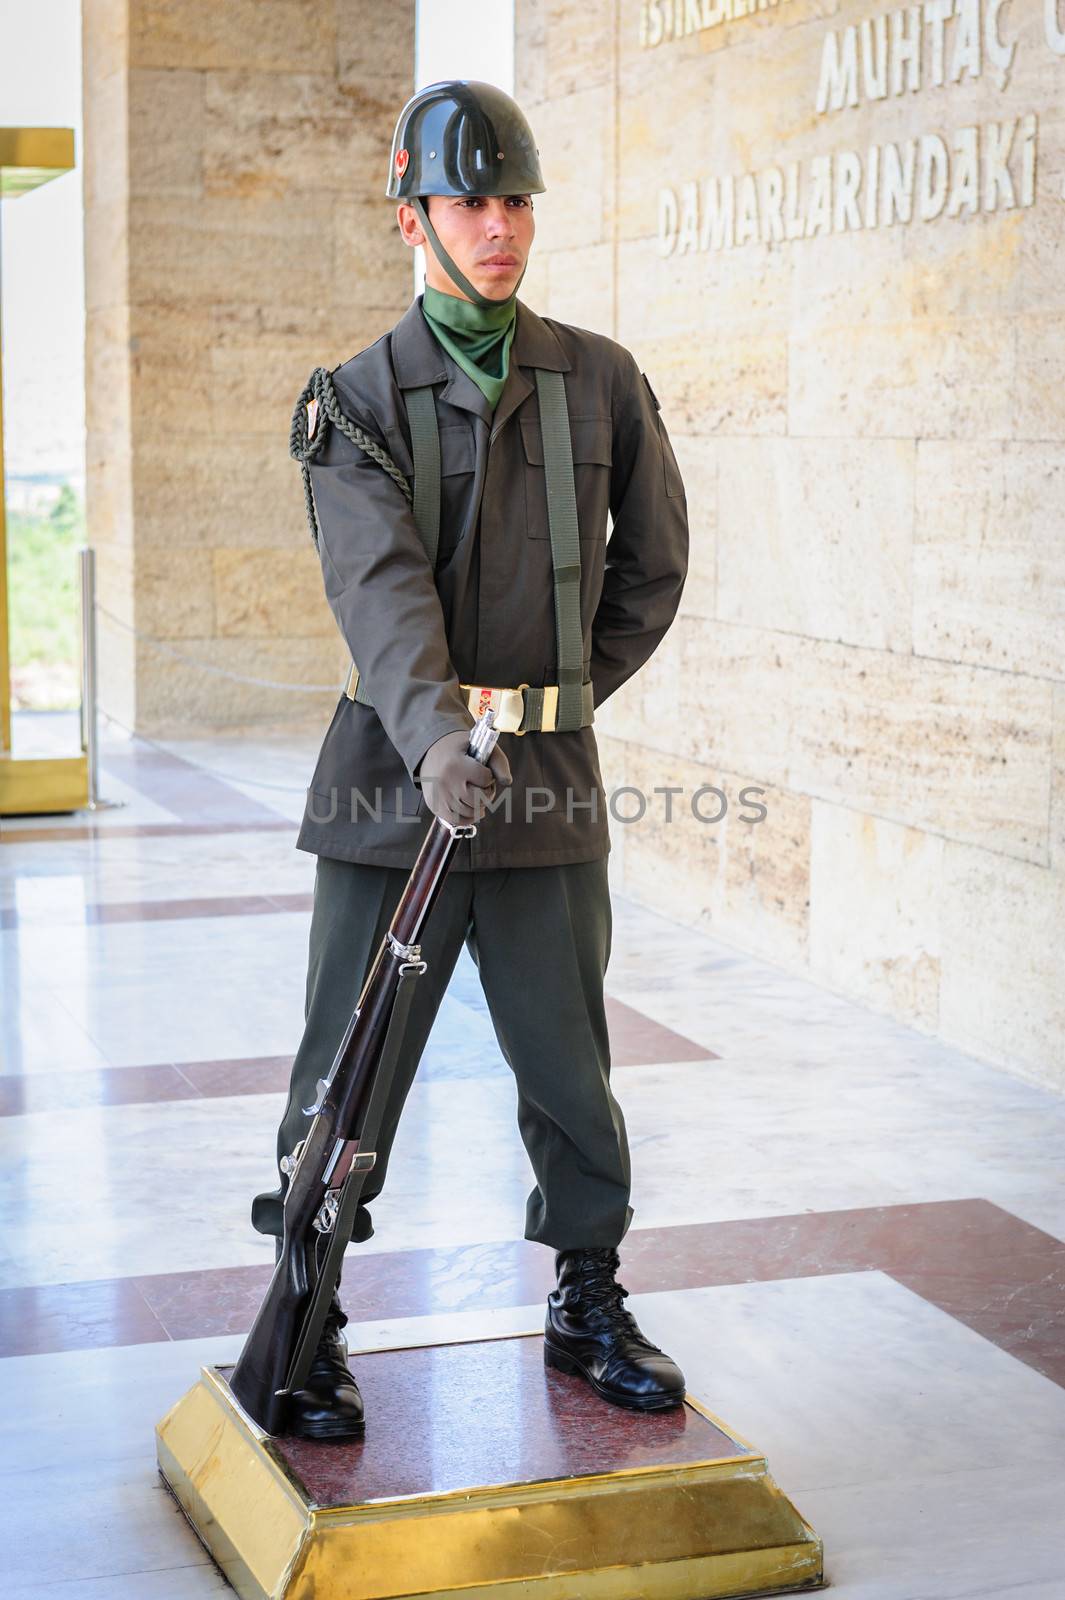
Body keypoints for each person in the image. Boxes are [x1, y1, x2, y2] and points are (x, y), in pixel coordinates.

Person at [250, 79, 690, 1439]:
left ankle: (586, 1295)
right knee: (352, 1066)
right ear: (410, 218)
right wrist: (444, 732)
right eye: (467, 201)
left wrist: (546, 707)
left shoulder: (598, 379)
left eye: (514, 202)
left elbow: (652, 571)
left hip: (544, 788)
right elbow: (378, 597)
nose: (498, 226)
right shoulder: (355, 402)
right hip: (391, 786)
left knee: (568, 1066)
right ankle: (310, 1305)